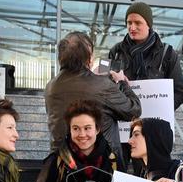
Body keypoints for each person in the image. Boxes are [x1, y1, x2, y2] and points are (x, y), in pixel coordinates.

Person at [46, 31, 141, 164]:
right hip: (101, 166)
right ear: (88, 59)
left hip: (62, 164)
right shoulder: (102, 85)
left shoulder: (51, 87)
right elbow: (133, 110)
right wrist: (122, 82)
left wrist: (93, 76)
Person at [108, 1, 183, 110]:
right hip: (124, 120)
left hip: (155, 121)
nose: (132, 27)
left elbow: (179, 92)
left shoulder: (167, 53)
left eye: (137, 23)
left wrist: (161, 110)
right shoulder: (116, 51)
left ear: (148, 25)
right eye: (129, 22)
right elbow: (105, 88)